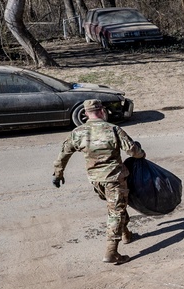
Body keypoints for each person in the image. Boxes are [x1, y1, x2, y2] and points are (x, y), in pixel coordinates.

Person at [52, 99, 145, 264]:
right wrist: (141, 152)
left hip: (96, 181)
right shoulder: (113, 130)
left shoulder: (78, 132)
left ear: (86, 114)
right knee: (115, 212)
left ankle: (126, 235)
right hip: (114, 179)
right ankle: (111, 252)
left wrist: (58, 174)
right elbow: (134, 152)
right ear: (102, 111)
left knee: (116, 206)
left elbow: (63, 154)